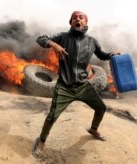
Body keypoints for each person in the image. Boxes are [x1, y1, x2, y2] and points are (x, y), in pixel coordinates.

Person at [32, 11, 119, 158]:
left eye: (80, 18)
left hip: (83, 86)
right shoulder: (62, 37)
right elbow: (41, 39)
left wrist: (111, 55)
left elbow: (101, 55)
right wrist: (53, 44)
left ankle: (93, 129)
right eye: (74, 18)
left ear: (85, 22)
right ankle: (41, 141)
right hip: (65, 86)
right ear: (71, 23)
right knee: (52, 116)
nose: (77, 19)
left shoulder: (92, 41)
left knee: (101, 108)